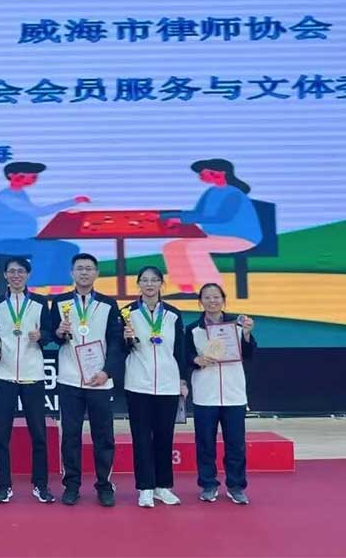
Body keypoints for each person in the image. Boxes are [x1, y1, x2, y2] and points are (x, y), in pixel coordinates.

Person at [50, 253, 123, 507]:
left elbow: (116, 342)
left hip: (100, 380)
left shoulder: (108, 304)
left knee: (103, 436)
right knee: (70, 435)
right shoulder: (59, 302)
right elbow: (52, 337)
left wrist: (107, 372)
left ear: (96, 273)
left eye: (89, 268)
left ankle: (104, 485)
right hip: (70, 379)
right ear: (72, 273)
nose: (84, 272)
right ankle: (71, 485)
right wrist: (58, 332)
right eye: (79, 268)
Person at [0, 256, 55, 503]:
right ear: (5, 275)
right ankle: (4, 486)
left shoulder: (40, 302)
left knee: (38, 434)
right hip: (4, 375)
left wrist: (42, 336)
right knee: (1, 435)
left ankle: (41, 485)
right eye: (12, 271)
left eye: (21, 271)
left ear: (28, 275)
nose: (16, 275)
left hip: (32, 375)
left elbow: (50, 333)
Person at [121, 266, 189, 508]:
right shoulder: (127, 313)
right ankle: (145, 488)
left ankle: (163, 487)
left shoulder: (173, 313)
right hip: (138, 383)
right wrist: (126, 338)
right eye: (145, 280)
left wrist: (182, 380)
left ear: (162, 283)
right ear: (138, 284)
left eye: (154, 280)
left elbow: (179, 349)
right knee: (141, 437)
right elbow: (121, 348)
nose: (149, 284)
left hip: (168, 384)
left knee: (164, 436)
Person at [185, 282, 257, 505]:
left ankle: (236, 486)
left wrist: (247, 334)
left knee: (235, 444)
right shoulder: (192, 329)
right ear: (200, 302)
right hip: (205, 394)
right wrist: (196, 360)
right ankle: (208, 484)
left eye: (216, 297)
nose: (212, 301)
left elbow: (250, 354)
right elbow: (185, 356)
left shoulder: (238, 324)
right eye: (207, 297)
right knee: (205, 443)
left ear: (223, 300)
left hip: (233, 394)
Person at [0, 161, 90, 294]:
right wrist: (73, 201)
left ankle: (57, 289)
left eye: (33, 177)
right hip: (0, 242)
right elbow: (37, 212)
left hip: (21, 239)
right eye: (24, 176)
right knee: (44, 249)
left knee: (69, 248)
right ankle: (31, 289)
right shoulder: (6, 196)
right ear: (11, 176)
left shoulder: (20, 194)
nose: (29, 179)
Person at [160, 159, 262, 295]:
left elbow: (221, 218)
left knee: (194, 248)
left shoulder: (234, 194)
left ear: (219, 173)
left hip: (240, 238)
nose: (200, 176)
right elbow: (197, 213)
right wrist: (170, 215)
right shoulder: (211, 192)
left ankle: (213, 289)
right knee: (172, 247)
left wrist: (182, 219)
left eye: (203, 173)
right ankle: (187, 291)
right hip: (214, 237)